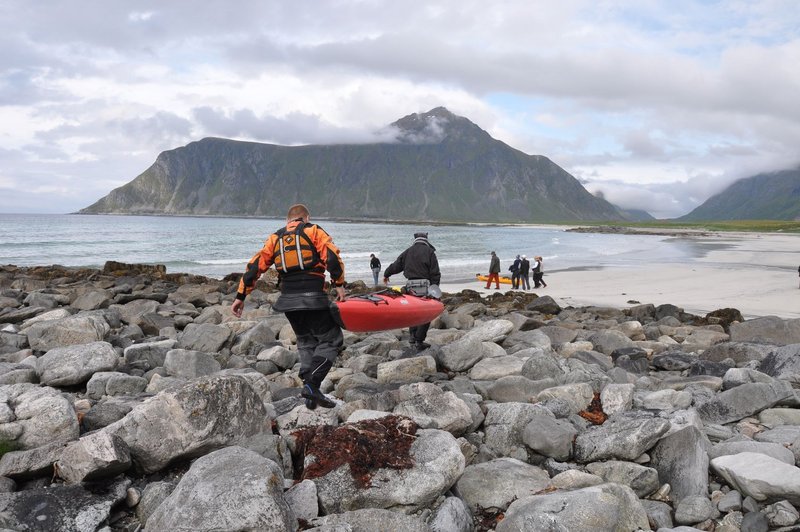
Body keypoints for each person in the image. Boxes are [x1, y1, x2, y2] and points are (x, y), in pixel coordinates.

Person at [231, 204, 346, 409]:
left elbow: (254, 268)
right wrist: (339, 285)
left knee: (305, 340)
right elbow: (332, 258)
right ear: (306, 218)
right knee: (331, 339)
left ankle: (310, 394)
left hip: (288, 301)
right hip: (313, 297)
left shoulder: (275, 238)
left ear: (288, 221)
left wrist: (241, 296)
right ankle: (312, 385)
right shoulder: (313, 230)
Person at [383, 231, 441, 351]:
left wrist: (386, 274)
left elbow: (396, 266)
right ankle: (419, 341)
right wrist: (434, 290)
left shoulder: (408, 251)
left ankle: (412, 337)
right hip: (425, 286)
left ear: (415, 240)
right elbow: (435, 273)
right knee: (426, 314)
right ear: (426, 240)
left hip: (410, 287)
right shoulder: (430, 252)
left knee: (413, 311)